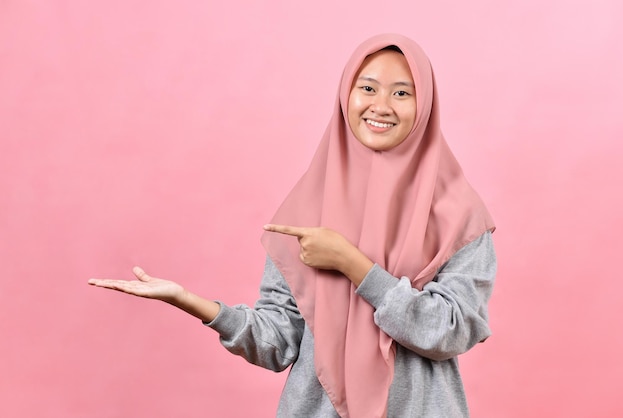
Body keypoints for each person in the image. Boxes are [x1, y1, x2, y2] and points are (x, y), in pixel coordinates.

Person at [89, 33, 496, 418]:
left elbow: (452, 331)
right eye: (368, 88)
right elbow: (278, 342)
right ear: (345, 96)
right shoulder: (309, 209)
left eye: (402, 92)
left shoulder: (458, 215)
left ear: (425, 106)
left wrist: (354, 265)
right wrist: (193, 303)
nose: (382, 105)